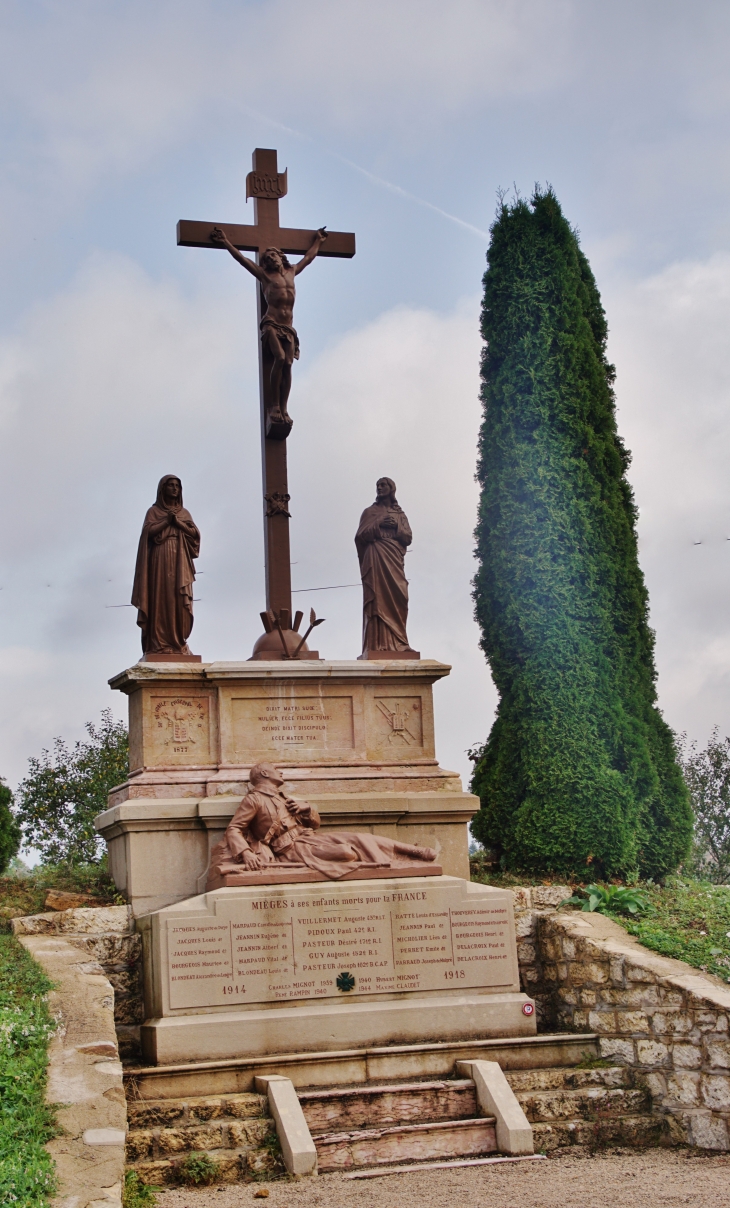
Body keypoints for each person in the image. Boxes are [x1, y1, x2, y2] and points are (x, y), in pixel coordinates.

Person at [207, 763, 436, 884]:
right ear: (265, 773)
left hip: (309, 838)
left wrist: (307, 810)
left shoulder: (284, 797)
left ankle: (415, 852)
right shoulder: (254, 799)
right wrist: (245, 853)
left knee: (360, 838)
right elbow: (235, 828)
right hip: (292, 850)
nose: (282, 771)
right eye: (277, 769)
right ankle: (388, 859)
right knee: (347, 853)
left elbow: (314, 823)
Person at [211, 226, 328, 427]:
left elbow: (309, 257)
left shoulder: (292, 271)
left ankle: (284, 407)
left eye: (272, 256)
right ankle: (274, 406)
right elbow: (243, 260)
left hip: (288, 327)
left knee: (289, 364)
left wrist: (318, 240)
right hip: (272, 323)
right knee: (280, 358)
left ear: (280, 257)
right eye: (266, 259)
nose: (269, 260)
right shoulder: (265, 276)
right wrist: (225, 242)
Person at [131, 475, 200, 656]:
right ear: (163, 489)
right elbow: (148, 533)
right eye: (170, 485)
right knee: (161, 598)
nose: (174, 488)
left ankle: (178, 642)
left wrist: (177, 522)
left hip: (180, 559)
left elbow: (194, 534)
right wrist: (166, 522)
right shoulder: (153, 512)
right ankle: (159, 643)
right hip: (160, 558)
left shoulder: (184, 514)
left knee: (178, 598)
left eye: (177, 485)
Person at [355, 477, 415, 655]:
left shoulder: (400, 514)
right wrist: (378, 524)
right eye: (377, 486)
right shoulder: (369, 512)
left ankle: (400, 642)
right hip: (376, 556)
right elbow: (360, 537)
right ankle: (377, 644)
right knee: (378, 597)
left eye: (383, 485)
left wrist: (396, 527)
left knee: (399, 596)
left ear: (391, 489)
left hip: (394, 557)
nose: (380, 488)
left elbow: (408, 538)